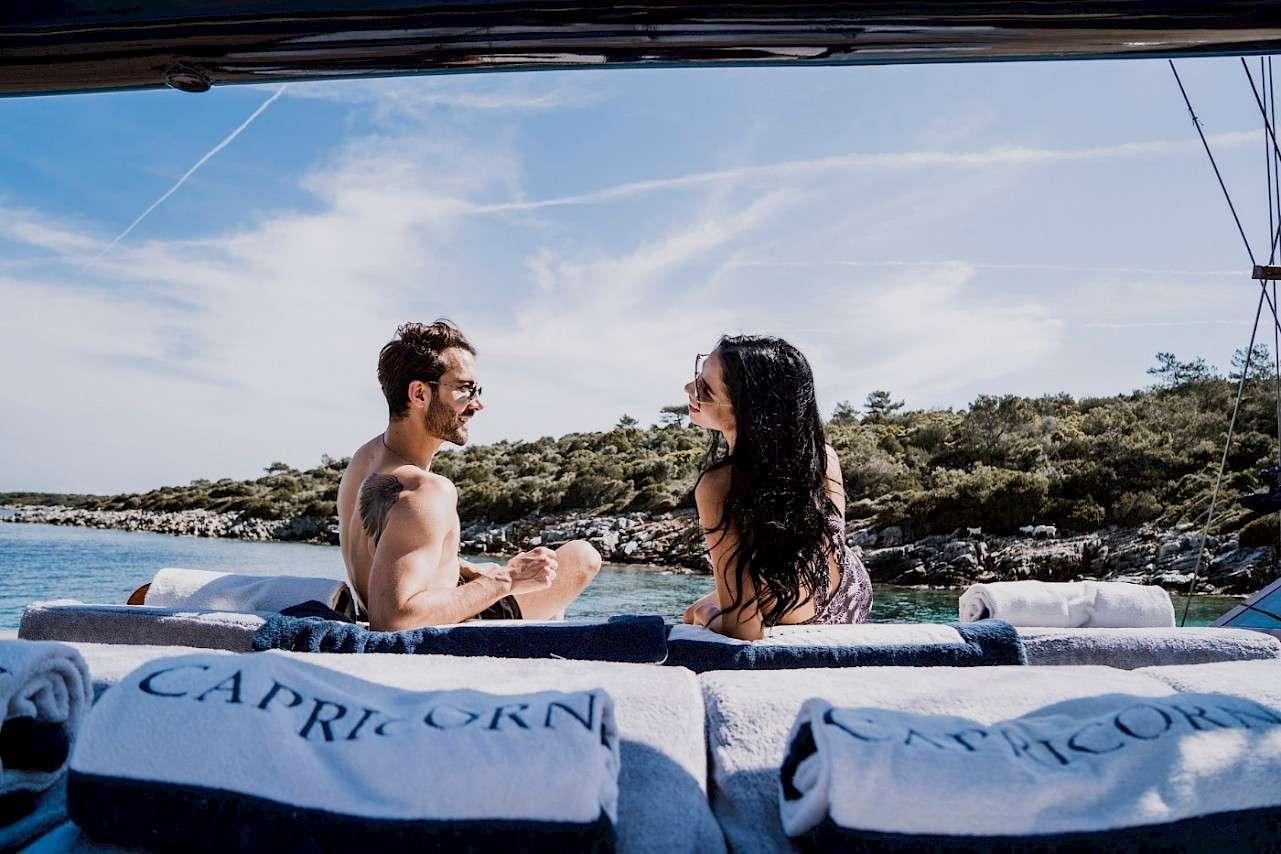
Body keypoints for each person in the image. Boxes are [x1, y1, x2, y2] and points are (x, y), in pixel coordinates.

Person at [337, 320, 601, 631]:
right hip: (441, 624)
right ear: (419, 394)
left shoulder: (364, 460)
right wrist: (508, 579)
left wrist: (470, 571)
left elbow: (385, 554)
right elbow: (392, 618)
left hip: (424, 601)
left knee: (526, 577)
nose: (478, 404)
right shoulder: (426, 491)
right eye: (464, 389)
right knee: (582, 557)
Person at [680, 335, 872, 640]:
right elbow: (827, 548)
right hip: (852, 593)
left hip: (798, 619)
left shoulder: (717, 486)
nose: (689, 389)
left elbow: (744, 630)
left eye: (705, 388)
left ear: (747, 409)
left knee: (694, 613)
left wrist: (706, 617)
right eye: (697, 376)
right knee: (701, 608)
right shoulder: (821, 456)